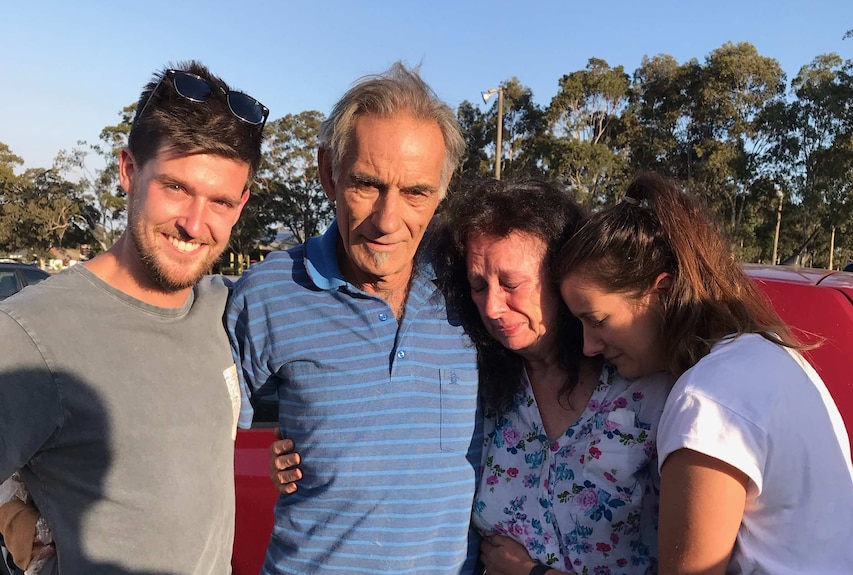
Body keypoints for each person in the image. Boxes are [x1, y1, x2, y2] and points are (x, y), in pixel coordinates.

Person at [271, 178, 674, 575]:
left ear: (560, 276)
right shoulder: (477, 382)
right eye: (479, 286)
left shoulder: (645, 384)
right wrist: (302, 449)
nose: (493, 307)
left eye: (511, 284)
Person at [0, 61, 267, 574]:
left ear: (242, 205)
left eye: (220, 201)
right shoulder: (30, 333)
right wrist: (13, 513)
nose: (195, 223)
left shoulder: (226, 308)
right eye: (175, 187)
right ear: (128, 171)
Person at [226, 62, 482, 575]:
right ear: (329, 173)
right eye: (367, 184)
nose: (388, 222)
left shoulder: (478, 289)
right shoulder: (268, 294)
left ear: (444, 186)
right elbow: (201, 437)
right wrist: (258, 455)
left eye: (416, 192)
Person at [556, 173, 853, 574]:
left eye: (597, 320)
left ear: (661, 293)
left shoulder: (708, 400)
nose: (588, 346)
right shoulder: (772, 354)